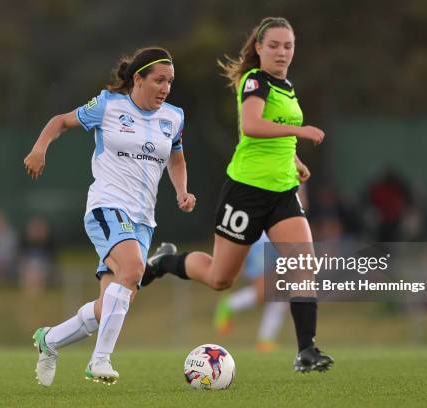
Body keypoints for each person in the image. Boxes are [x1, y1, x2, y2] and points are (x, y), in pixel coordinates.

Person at [143, 17, 333, 372]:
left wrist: (294, 159)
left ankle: (306, 351)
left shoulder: (287, 85)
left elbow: (278, 129)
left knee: (304, 266)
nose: (281, 52)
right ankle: (165, 261)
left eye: (288, 46)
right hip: (245, 192)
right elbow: (253, 126)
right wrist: (303, 130)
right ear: (259, 48)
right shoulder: (255, 81)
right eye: (273, 45)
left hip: (282, 193)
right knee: (220, 279)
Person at [23, 47, 195, 386]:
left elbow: (176, 157)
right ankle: (99, 360)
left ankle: (50, 341)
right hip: (107, 206)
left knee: (111, 305)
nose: (165, 88)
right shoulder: (108, 106)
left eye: (170, 82)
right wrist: (39, 147)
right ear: (138, 79)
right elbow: (60, 121)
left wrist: (181, 191)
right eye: (159, 80)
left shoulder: (173, 117)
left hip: (143, 221)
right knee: (133, 270)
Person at [213, 232, 288, 352]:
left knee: (280, 298)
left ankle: (265, 341)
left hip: (277, 242)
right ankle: (229, 304)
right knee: (263, 292)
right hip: (263, 242)